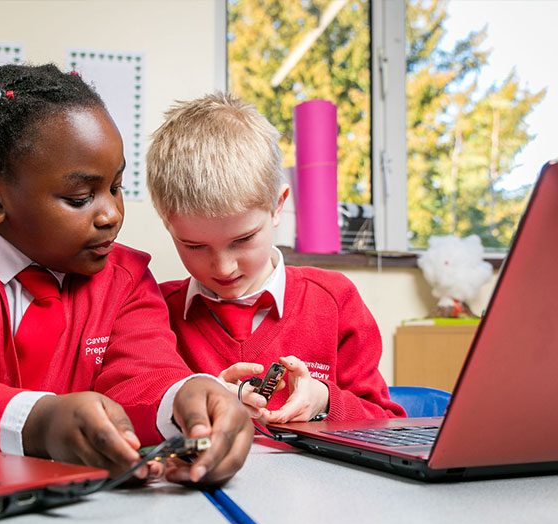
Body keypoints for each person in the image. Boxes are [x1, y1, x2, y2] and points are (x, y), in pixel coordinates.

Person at [0, 65, 252, 487]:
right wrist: (36, 422)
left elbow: (145, 375)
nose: (112, 214)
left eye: (115, 186)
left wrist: (185, 399)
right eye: (80, 197)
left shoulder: (127, 277)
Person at [147, 93, 405, 424]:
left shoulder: (334, 301)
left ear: (278, 206)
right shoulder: (154, 311)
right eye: (194, 246)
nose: (224, 267)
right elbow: (138, 416)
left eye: (243, 240)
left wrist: (324, 400)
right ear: (168, 225)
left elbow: (384, 420)